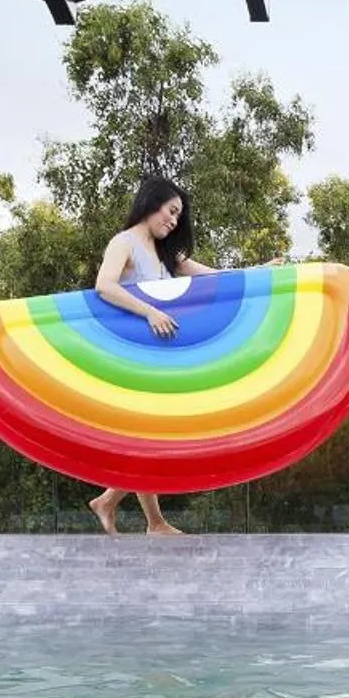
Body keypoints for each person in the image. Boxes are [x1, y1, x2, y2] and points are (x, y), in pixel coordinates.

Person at [86, 176, 222, 536]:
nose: (174, 221)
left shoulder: (165, 256)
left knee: (154, 435)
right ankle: (152, 521)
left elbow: (214, 277)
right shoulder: (124, 242)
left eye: (179, 216)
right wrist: (149, 312)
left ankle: (113, 503)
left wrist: (261, 275)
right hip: (134, 352)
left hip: (159, 353)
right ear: (152, 203)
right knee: (149, 434)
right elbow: (104, 285)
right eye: (171, 211)